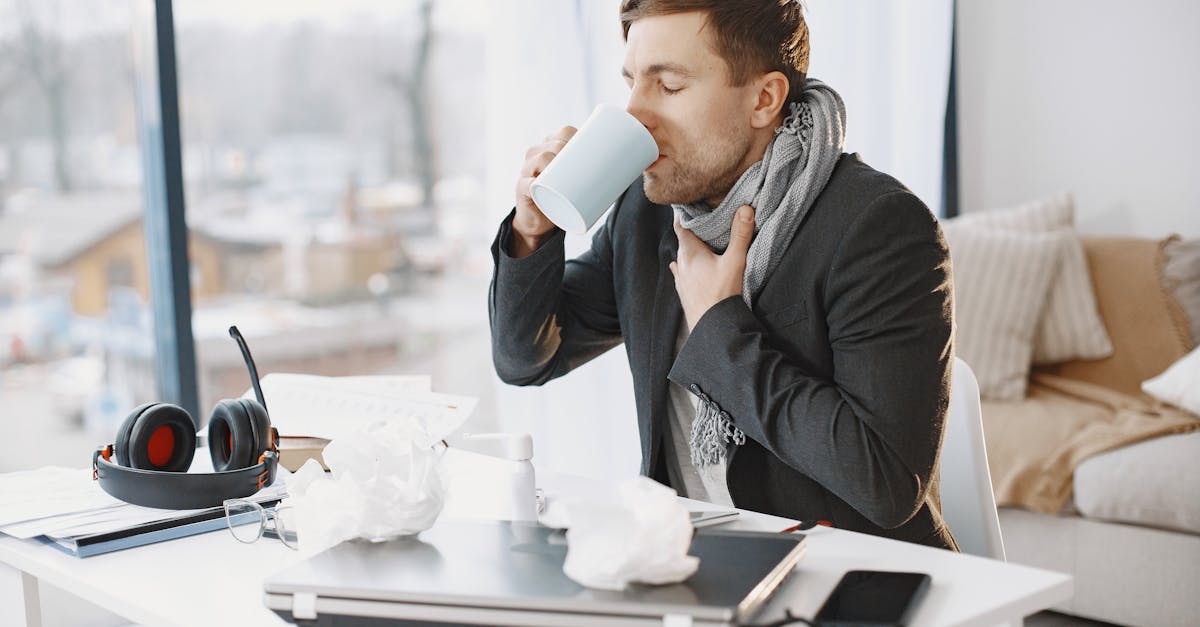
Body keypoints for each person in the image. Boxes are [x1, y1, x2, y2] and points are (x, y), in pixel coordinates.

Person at [489, 0, 957, 550]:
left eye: (669, 86)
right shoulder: (647, 214)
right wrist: (533, 231)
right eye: (632, 82)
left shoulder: (878, 227)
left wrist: (720, 328)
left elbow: (885, 484)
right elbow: (526, 358)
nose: (635, 112)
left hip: (845, 576)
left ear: (764, 99)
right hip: (691, 564)